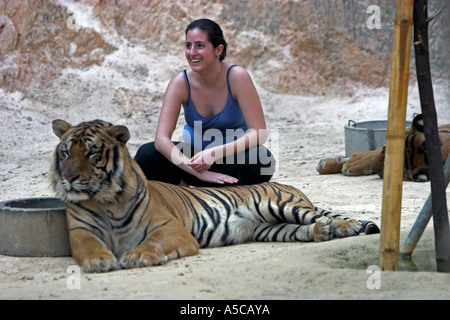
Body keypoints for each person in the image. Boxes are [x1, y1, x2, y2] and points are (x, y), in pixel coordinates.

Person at [135, 18, 275, 187]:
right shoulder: (180, 83)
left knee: (262, 160)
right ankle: (189, 196)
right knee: (146, 155)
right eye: (188, 45)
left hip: (232, 158)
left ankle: (230, 194)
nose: (192, 52)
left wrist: (214, 153)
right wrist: (198, 172)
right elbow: (161, 139)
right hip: (194, 164)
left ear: (218, 49)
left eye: (200, 45)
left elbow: (259, 133)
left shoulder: (237, 76)